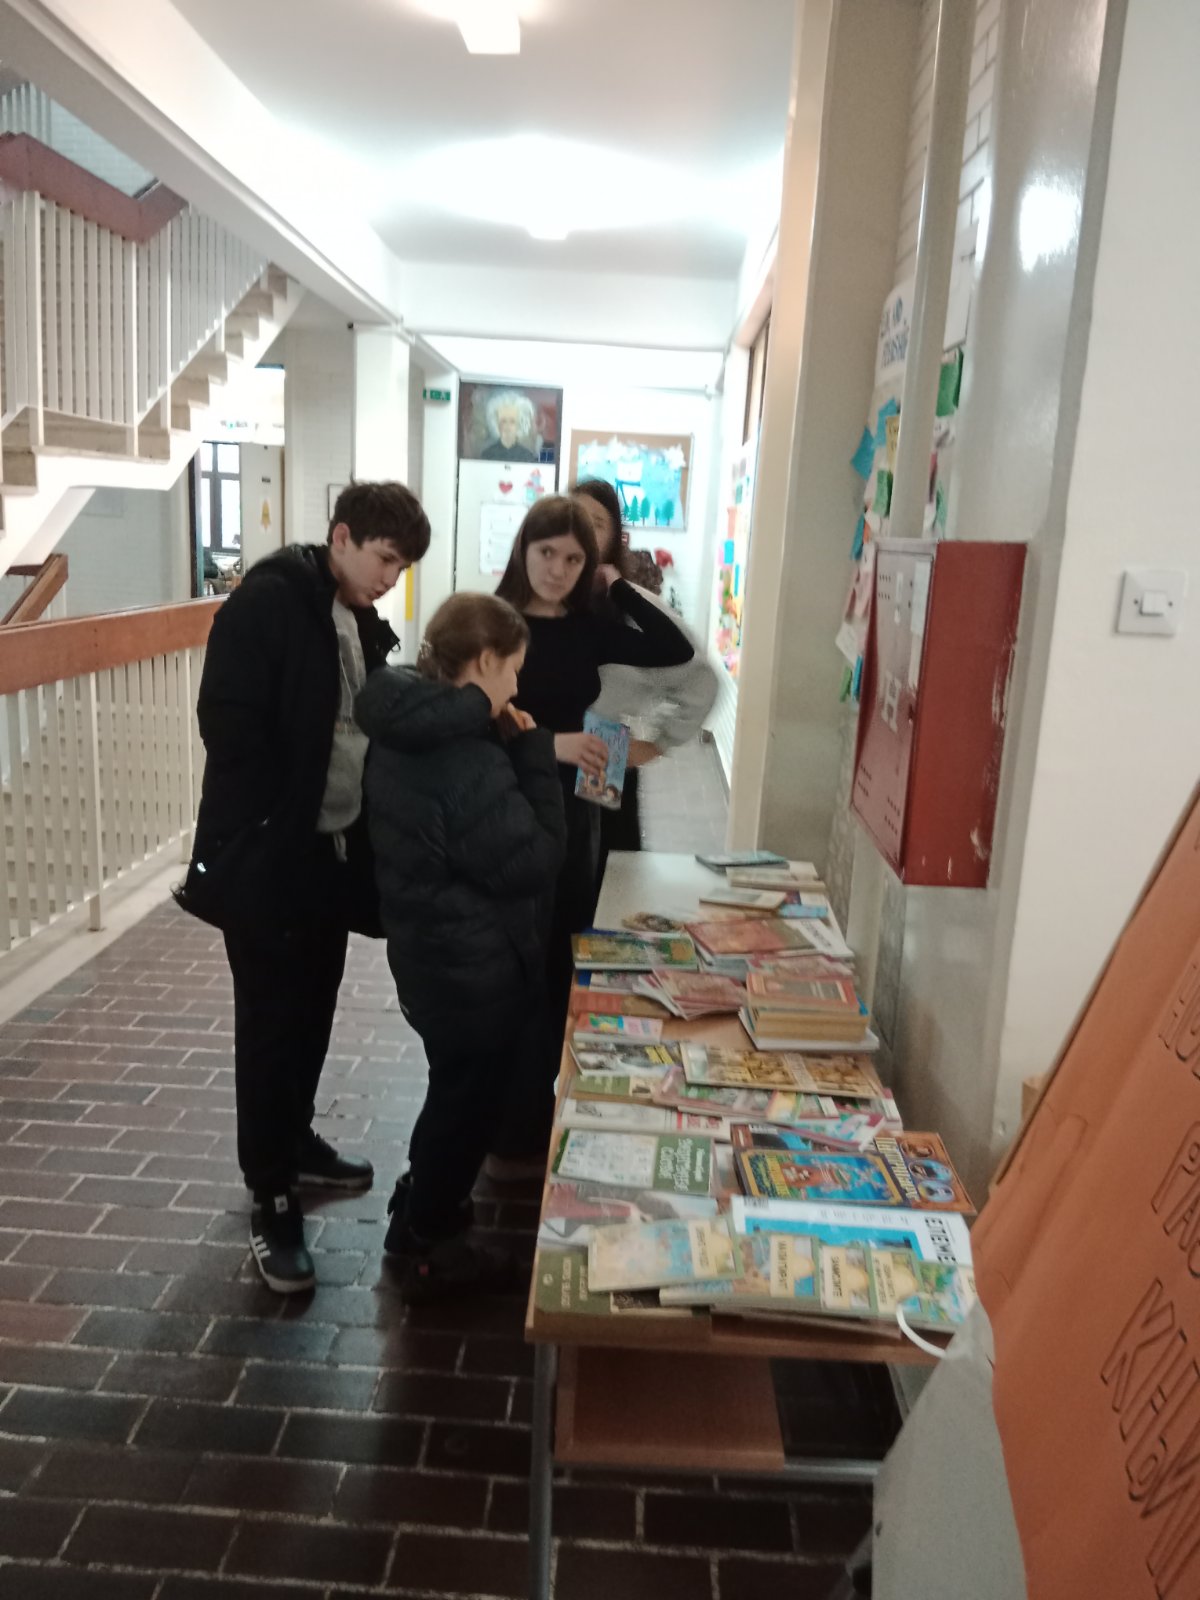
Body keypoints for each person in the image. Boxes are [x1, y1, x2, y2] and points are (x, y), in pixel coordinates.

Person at [185, 481, 431, 1295]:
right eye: (385, 559)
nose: (390, 578)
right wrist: (274, 815)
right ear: (342, 536)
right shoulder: (270, 603)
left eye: (402, 567)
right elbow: (226, 718)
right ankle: (272, 1193)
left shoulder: (355, 614)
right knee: (270, 1025)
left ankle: (297, 1142)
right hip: (271, 857)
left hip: (330, 853)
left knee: (313, 1007)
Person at [355, 593, 565, 1301]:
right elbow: (533, 858)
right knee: (466, 1104)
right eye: (512, 670)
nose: (516, 686)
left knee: (452, 1088)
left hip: (431, 953)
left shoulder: (404, 719)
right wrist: (533, 756)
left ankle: (421, 1205)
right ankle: (431, 1237)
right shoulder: (463, 756)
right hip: (471, 964)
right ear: (482, 661)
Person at [493, 495, 694, 1168]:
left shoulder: (589, 625)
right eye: (547, 552)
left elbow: (675, 649)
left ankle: (543, 1104)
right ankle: (510, 1120)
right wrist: (552, 744)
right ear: (524, 550)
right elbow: (471, 719)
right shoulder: (495, 621)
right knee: (514, 959)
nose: (557, 569)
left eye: (574, 559)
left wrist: (619, 587)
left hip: (576, 811)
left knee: (564, 953)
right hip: (509, 806)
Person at [570, 479, 717, 877]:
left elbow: (701, 679)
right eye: (573, 517)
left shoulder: (634, 609)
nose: (582, 530)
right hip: (544, 754)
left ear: (615, 537)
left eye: (596, 523)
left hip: (601, 752)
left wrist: (658, 741)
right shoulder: (540, 601)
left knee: (604, 875)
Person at [480, 390, 538, 462]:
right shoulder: (487, 455)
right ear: (496, 423)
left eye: (512, 421)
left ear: (519, 424)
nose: (508, 427)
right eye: (503, 421)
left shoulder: (527, 456)